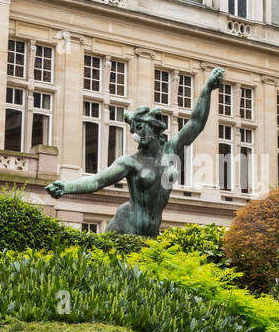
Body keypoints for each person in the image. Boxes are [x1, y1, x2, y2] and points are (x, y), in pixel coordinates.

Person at [47, 67, 224, 236]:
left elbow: (196, 123)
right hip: (126, 225)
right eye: (135, 129)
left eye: (140, 127)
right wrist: (67, 186)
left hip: (152, 229)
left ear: (154, 128)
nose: (138, 133)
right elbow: (98, 180)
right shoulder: (130, 162)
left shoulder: (171, 151)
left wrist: (207, 89)